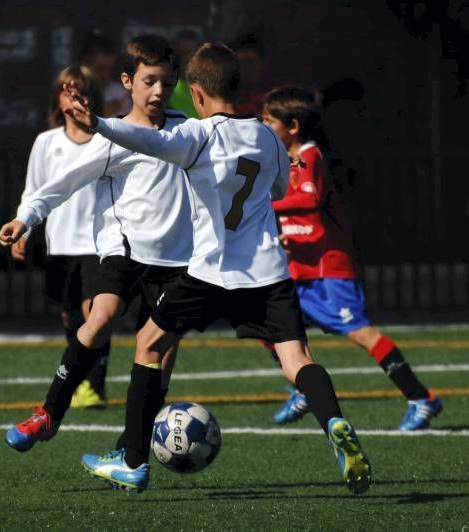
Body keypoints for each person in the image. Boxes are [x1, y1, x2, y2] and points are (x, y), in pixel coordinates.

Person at [69, 42, 372, 495]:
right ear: (239, 87)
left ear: (195, 93)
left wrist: (99, 124)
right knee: (297, 361)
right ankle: (334, 423)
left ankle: (132, 462)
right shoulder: (268, 136)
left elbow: (151, 140)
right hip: (268, 274)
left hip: (209, 271)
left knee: (150, 344)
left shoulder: (199, 134)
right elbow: (276, 190)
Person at [0, 34, 192, 453]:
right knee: (100, 316)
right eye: (149, 81)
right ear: (127, 81)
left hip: (177, 260)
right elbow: (64, 182)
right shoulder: (115, 135)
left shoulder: (189, 133)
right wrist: (25, 218)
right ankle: (49, 413)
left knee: (160, 351)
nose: (158, 91)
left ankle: (129, 446)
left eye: (166, 82)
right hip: (123, 250)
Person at [260, 85, 443, 431]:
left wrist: (265, 203)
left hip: (329, 267)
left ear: (293, 126)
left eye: (269, 122)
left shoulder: (311, 156)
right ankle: (302, 387)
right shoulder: (284, 162)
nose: (263, 128)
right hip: (299, 267)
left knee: (362, 333)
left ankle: (421, 397)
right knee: (268, 325)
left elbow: (310, 201)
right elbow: (298, 217)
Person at [11, 65, 109, 412]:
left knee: (95, 316)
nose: (74, 97)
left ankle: (94, 386)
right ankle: (81, 379)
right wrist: (25, 227)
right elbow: (34, 190)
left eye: (81, 91)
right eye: (68, 91)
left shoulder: (108, 140)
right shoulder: (46, 143)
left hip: (98, 245)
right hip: (61, 246)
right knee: (71, 318)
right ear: (58, 97)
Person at [78, 31, 132, 117]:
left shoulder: (118, 93)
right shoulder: (70, 90)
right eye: (100, 69)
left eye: (109, 69)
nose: (106, 75)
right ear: (84, 63)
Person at [168, 28, 202, 118]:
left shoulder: (210, 88)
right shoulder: (166, 91)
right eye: (183, 54)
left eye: (193, 54)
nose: (188, 59)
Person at [232, 33, 268, 116]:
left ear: (262, 63)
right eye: (242, 63)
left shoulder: (272, 97)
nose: (247, 68)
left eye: (250, 62)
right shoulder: (228, 98)